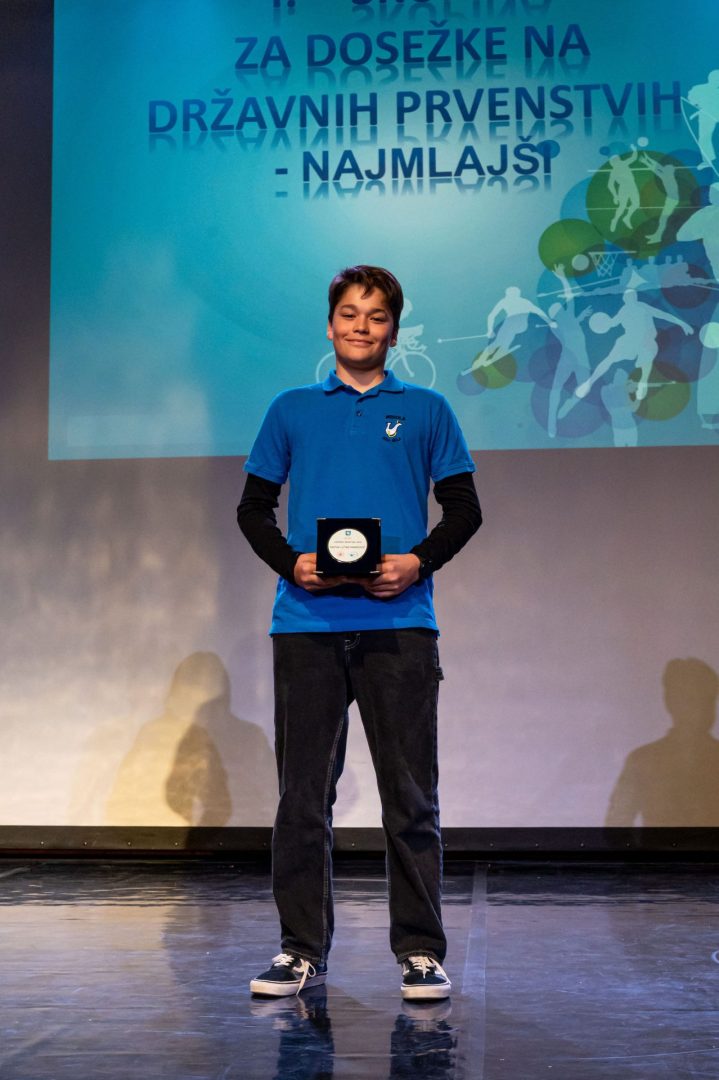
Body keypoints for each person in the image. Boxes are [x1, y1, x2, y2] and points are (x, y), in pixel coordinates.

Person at [237, 265, 481, 1001]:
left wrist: (416, 563)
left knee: (410, 798)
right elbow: (252, 508)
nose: (361, 327)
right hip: (306, 625)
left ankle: (420, 951)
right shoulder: (290, 409)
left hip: (400, 626)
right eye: (349, 313)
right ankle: (299, 950)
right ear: (330, 324)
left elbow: (464, 509)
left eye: (375, 317)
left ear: (394, 331)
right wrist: (292, 564)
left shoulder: (427, 409)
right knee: (301, 799)